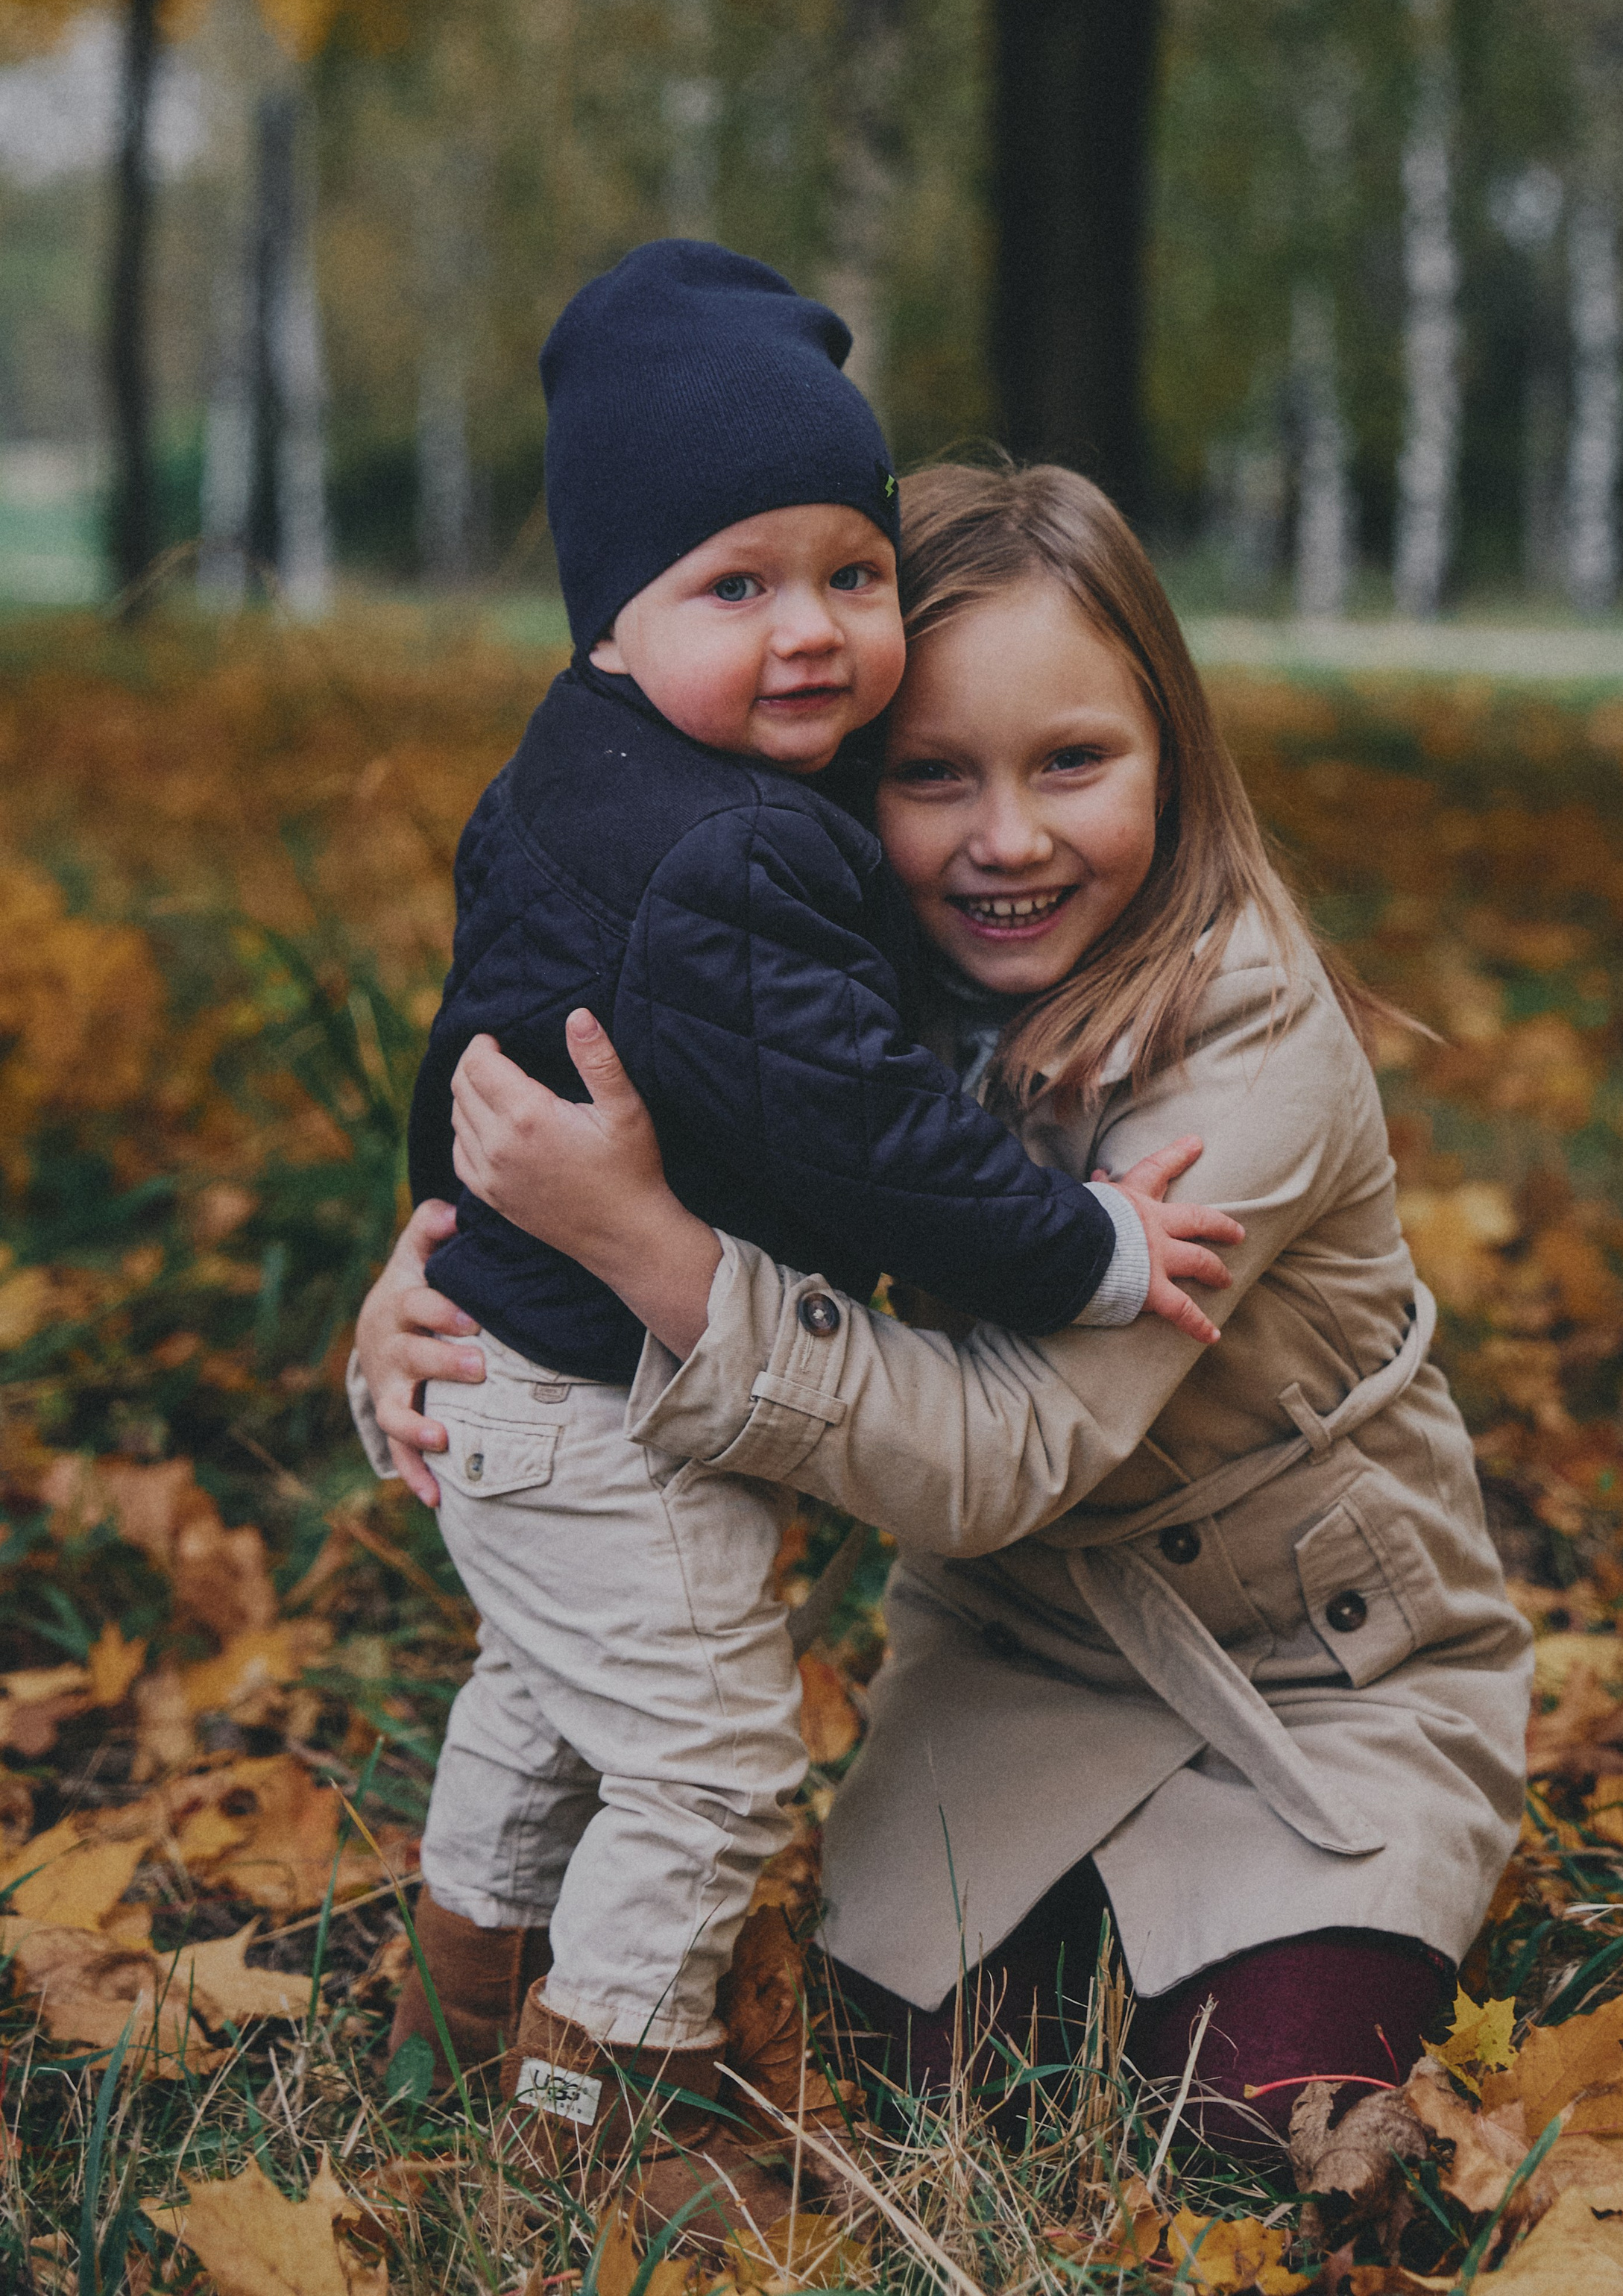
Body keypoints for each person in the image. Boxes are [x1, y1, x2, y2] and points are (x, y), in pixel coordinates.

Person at [358, 461, 1532, 2167]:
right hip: (1012, 1653)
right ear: (847, 781)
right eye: (930, 776)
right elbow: (528, 1117)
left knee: (1246, 2122)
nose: (1006, 836)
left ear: (1169, 755)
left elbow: (1005, 1454)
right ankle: (524, 2057)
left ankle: (1335, 1931)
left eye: (1071, 761)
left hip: (1314, 1673)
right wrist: (425, 1301)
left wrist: (651, 1255)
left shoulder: (1247, 1035)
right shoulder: (819, 972)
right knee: (922, 2085)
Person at [350, 251, 1241, 2210]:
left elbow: (466, 1036)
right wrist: (1081, 1251)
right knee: (714, 1760)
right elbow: (883, 1147)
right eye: (735, 588)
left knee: (548, 1706)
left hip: (520, 1365)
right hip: (599, 1405)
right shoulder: (737, 856)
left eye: (852, 574)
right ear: (619, 608)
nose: (815, 635)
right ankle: (598, 2130)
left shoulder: (568, 765)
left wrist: (434, 1222)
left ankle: (455, 2009)